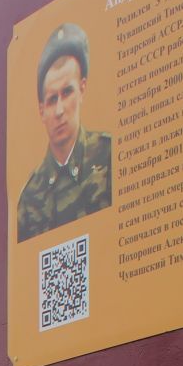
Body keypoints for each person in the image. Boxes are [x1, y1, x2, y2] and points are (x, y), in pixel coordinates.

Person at [16, 22, 115, 242]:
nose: (59, 111)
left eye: (67, 92)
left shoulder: (111, 158)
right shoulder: (29, 197)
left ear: (82, 89)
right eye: (52, 100)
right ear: (42, 111)